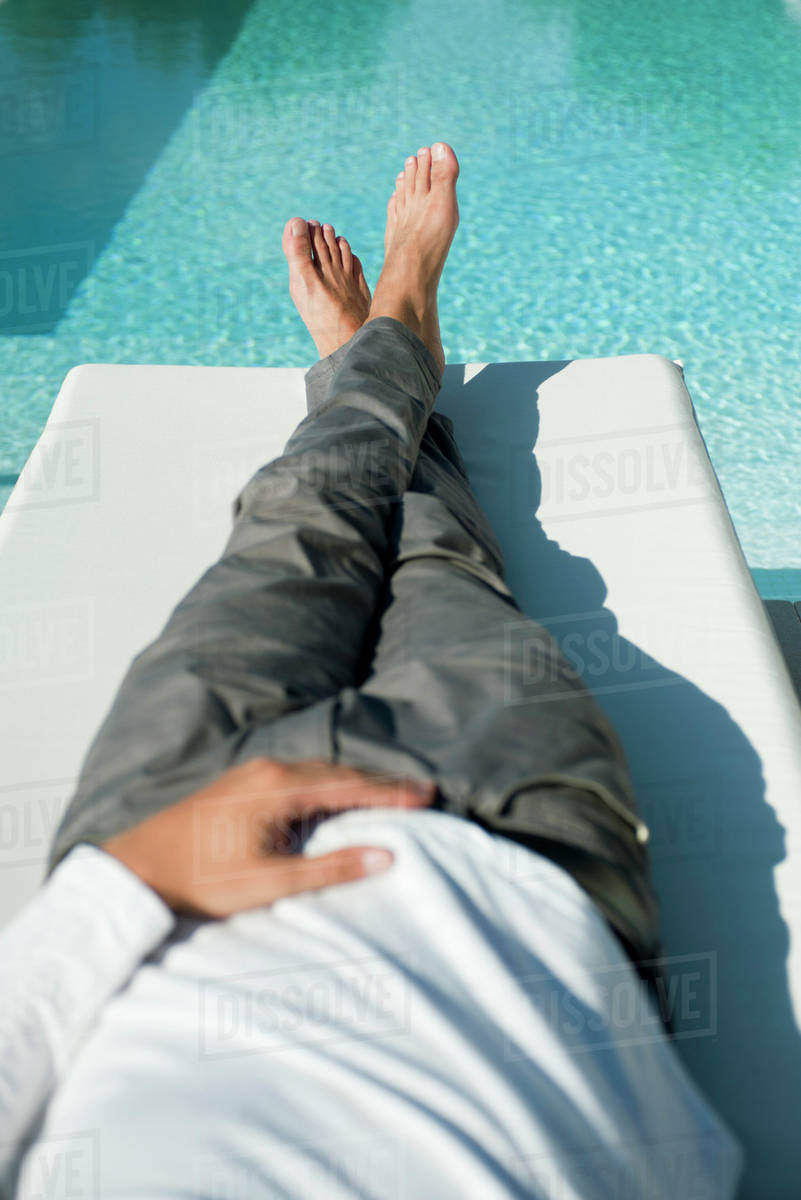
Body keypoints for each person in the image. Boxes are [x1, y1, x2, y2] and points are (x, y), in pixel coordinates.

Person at [0, 143, 743, 1198]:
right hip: (500, 842)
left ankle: (381, 343)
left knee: (299, 518)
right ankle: (386, 337)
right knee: (441, 560)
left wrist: (128, 882)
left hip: (171, 834)